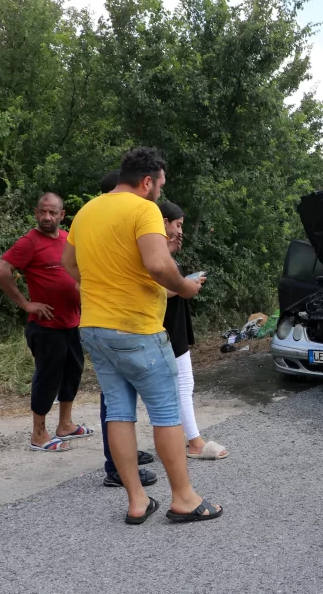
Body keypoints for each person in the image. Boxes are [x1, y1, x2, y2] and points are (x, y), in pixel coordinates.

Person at [63, 147, 222, 524]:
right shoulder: (144, 209)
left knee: (118, 411)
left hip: (95, 328)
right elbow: (156, 263)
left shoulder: (88, 210)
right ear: (147, 181)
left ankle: (137, 501)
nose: (159, 193)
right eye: (160, 185)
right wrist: (184, 287)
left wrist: (103, 286)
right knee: (166, 413)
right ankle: (183, 499)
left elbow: (68, 263)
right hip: (137, 328)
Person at [0, 193, 90, 453]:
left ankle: (65, 425)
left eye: (52, 213)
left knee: (72, 372)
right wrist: (26, 304)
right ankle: (38, 434)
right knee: (48, 378)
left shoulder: (69, 238)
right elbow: (0, 270)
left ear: (62, 215)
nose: (47, 217)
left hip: (71, 322)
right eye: (42, 212)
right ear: (36, 213)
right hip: (46, 327)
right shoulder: (29, 242)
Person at [97, 169, 158, 488]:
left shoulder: (96, 218)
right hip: (120, 323)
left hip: (101, 323)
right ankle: (117, 466)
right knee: (117, 401)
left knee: (120, 397)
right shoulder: (123, 215)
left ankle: (124, 458)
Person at [159, 201, 227, 460]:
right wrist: (186, 284)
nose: (180, 232)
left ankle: (181, 438)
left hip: (171, 327)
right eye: (177, 225)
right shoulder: (156, 257)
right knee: (183, 384)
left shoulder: (164, 256)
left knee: (174, 388)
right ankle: (195, 443)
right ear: (164, 222)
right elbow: (158, 291)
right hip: (168, 330)